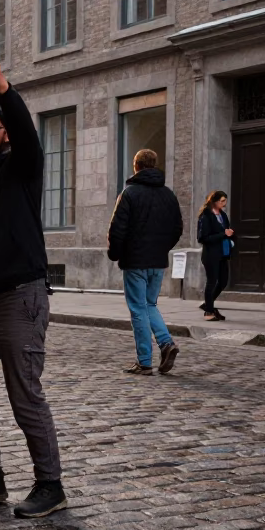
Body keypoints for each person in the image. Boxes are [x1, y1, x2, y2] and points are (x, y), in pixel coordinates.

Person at [0, 38, 66, 519]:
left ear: (5, 131)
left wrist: (0, 85)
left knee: (24, 393)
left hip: (21, 296)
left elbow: (28, 134)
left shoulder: (23, 166)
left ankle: (50, 484)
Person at [108, 148, 184, 375]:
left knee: (138, 308)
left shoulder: (129, 193)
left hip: (135, 261)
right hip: (157, 261)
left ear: (136, 166)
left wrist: (115, 253)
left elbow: (117, 229)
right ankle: (166, 343)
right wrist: (162, 248)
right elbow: (177, 228)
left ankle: (144, 361)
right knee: (150, 304)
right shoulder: (168, 194)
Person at [197, 190, 234, 321]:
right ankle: (208, 312)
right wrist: (224, 234)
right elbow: (202, 238)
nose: (224, 203)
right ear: (214, 201)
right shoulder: (205, 216)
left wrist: (230, 235)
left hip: (223, 253)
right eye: (222, 201)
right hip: (211, 254)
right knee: (211, 281)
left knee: (223, 281)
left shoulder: (223, 215)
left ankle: (208, 304)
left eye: (225, 201)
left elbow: (226, 231)